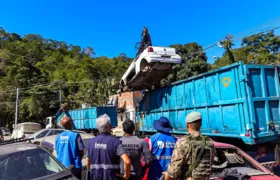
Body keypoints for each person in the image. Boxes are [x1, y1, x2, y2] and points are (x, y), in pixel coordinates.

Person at [163, 112, 215, 180]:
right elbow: (210, 163)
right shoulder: (210, 142)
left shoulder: (183, 142)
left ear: (187, 125)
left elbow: (174, 172)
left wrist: (167, 175)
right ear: (201, 124)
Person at [85, 114, 131, 180]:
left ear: (97, 128)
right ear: (110, 126)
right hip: (111, 177)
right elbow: (127, 161)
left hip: (95, 176)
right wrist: (126, 175)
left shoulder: (90, 142)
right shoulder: (116, 142)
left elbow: (87, 162)